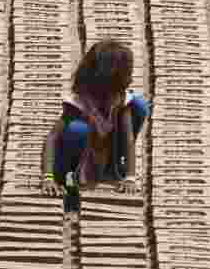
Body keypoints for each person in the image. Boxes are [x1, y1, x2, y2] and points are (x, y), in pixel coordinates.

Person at [40, 39, 149, 200]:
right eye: (128, 72)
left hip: (106, 155)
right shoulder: (79, 101)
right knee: (78, 129)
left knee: (139, 104)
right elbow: (52, 138)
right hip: (79, 159)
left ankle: (112, 168)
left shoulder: (120, 99)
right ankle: (68, 176)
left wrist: (130, 177)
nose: (131, 77)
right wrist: (48, 177)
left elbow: (128, 139)